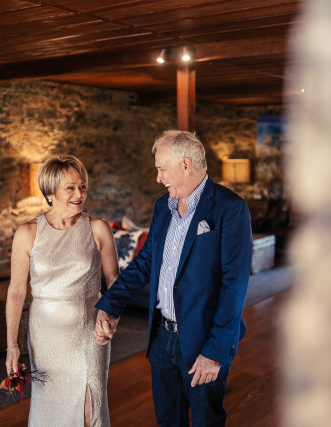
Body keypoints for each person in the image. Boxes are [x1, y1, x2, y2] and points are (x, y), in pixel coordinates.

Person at [94, 130, 253, 426]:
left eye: (161, 169)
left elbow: (235, 285)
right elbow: (145, 263)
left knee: (206, 420)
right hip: (161, 338)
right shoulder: (162, 207)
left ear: (185, 165)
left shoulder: (230, 207)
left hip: (204, 341)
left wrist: (215, 352)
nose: (158, 178)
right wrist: (109, 305)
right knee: (168, 421)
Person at [5, 154, 119, 426]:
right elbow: (16, 293)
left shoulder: (98, 228)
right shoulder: (27, 233)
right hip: (46, 337)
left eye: (83, 187)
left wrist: (110, 315)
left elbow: (114, 280)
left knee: (91, 406)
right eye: (71, 188)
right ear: (50, 192)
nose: (79, 194)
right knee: (51, 408)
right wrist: (12, 345)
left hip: (89, 332)